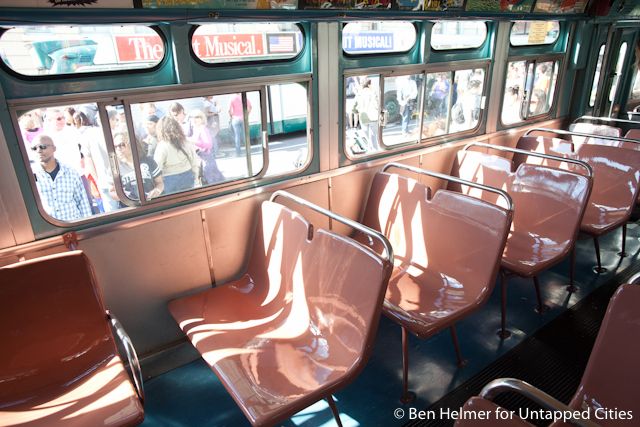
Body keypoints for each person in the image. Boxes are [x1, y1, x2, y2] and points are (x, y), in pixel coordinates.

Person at [30, 134, 91, 222]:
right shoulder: (31, 175)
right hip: (47, 228)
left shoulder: (71, 172)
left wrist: (86, 226)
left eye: (43, 147)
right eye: (34, 148)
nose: (39, 150)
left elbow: (82, 201)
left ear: (54, 148)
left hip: (72, 225)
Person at [74, 111, 118, 213]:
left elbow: (88, 160)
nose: (116, 122)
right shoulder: (116, 133)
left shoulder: (89, 135)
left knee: (113, 215)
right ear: (110, 120)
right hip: (113, 181)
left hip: (104, 181)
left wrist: (97, 180)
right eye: (115, 119)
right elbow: (88, 160)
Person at [110, 132, 163, 204]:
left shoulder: (148, 161)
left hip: (151, 204)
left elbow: (159, 182)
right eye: (115, 146)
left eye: (121, 145)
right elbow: (112, 192)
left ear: (132, 144)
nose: (118, 149)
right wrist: (123, 196)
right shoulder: (115, 168)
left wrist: (157, 190)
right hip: (131, 209)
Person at [154, 116, 200, 194]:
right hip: (187, 175)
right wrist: (196, 177)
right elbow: (194, 161)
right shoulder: (186, 142)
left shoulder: (162, 145)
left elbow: (157, 166)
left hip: (169, 178)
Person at [189, 109, 224, 185]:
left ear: (202, 119)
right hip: (201, 158)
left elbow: (208, 144)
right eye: (192, 117)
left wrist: (193, 142)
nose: (194, 119)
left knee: (212, 182)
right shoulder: (195, 128)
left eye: (197, 117)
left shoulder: (203, 129)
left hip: (206, 159)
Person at [356, 78, 380, 152]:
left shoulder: (360, 93)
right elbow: (376, 105)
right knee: (373, 135)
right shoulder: (372, 93)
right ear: (369, 84)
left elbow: (355, 105)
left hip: (363, 116)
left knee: (366, 135)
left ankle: (369, 150)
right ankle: (375, 150)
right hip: (373, 116)